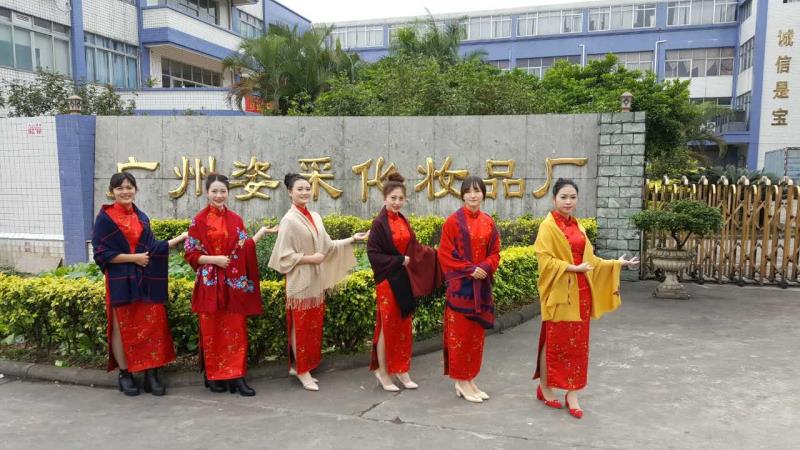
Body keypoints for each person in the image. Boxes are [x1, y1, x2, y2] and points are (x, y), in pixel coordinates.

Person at [533, 178, 639, 419]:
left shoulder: (578, 227)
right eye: (563, 197)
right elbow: (545, 261)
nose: (568, 202)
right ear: (554, 199)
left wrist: (617, 263)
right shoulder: (548, 227)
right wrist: (572, 268)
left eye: (572, 197)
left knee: (578, 347)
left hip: (581, 295)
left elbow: (591, 262)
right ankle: (545, 387)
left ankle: (572, 393)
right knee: (554, 341)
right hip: (560, 294)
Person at [268, 173, 368, 391]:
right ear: (290, 192)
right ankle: (302, 371)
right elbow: (282, 257)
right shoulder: (289, 220)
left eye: (307, 188)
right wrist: (309, 258)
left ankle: (302, 366)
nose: (305, 192)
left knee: (312, 326)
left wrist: (353, 239)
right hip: (299, 282)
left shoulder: (315, 216)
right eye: (300, 189)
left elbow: (328, 246)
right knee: (300, 326)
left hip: (315, 280)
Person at [92, 172, 187, 396]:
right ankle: (125, 374)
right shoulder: (105, 218)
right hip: (119, 280)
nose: (125, 192)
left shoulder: (141, 217)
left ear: (136, 190)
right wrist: (134, 258)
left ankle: (151, 373)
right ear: (111, 192)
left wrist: (180, 238)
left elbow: (152, 248)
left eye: (129, 187)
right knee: (121, 326)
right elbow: (101, 254)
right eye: (120, 188)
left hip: (145, 279)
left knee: (151, 325)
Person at [184, 173, 276, 397]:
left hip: (233, 284)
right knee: (212, 330)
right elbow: (190, 254)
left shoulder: (235, 219)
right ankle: (213, 375)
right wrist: (214, 260)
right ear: (207, 193)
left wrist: (261, 233)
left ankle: (237, 376)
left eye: (223, 191)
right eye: (214, 191)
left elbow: (243, 247)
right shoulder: (199, 220)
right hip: (210, 284)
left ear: (228, 193)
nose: (219, 195)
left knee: (236, 329)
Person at [366, 172, 442, 391]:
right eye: (393, 198)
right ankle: (383, 372)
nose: (397, 202)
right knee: (387, 326)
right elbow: (373, 254)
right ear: (384, 198)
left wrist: (436, 254)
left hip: (403, 280)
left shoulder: (402, 220)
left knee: (404, 325)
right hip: (387, 282)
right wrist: (398, 260)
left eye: (401, 198)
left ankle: (401, 369)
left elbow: (414, 248)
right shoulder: (379, 223)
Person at [438, 176, 501, 403]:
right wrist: (470, 269)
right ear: (462, 195)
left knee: (475, 338)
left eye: (477, 191)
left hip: (481, 289)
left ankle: (470, 379)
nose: (473, 195)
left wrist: (484, 267)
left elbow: (495, 252)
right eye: (468, 191)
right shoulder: (453, 222)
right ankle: (461, 381)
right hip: (460, 291)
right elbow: (445, 254)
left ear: (483, 194)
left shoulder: (488, 222)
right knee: (460, 337)